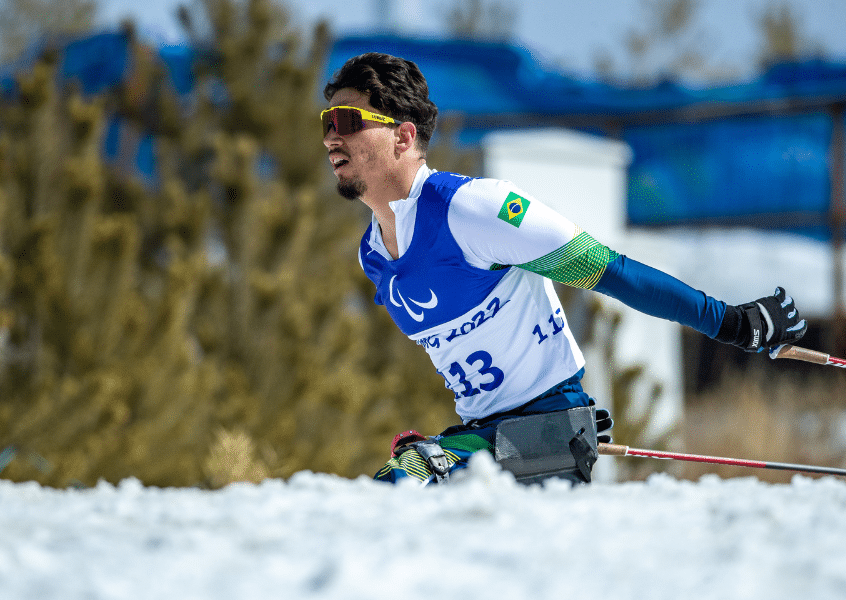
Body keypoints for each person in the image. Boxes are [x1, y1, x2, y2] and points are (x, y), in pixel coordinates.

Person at [320, 52, 807, 485]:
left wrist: (730, 322)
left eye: (346, 120)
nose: (330, 138)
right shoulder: (374, 254)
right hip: (494, 438)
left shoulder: (473, 210)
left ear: (404, 136)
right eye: (326, 123)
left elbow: (609, 269)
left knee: (394, 489)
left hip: (543, 433)